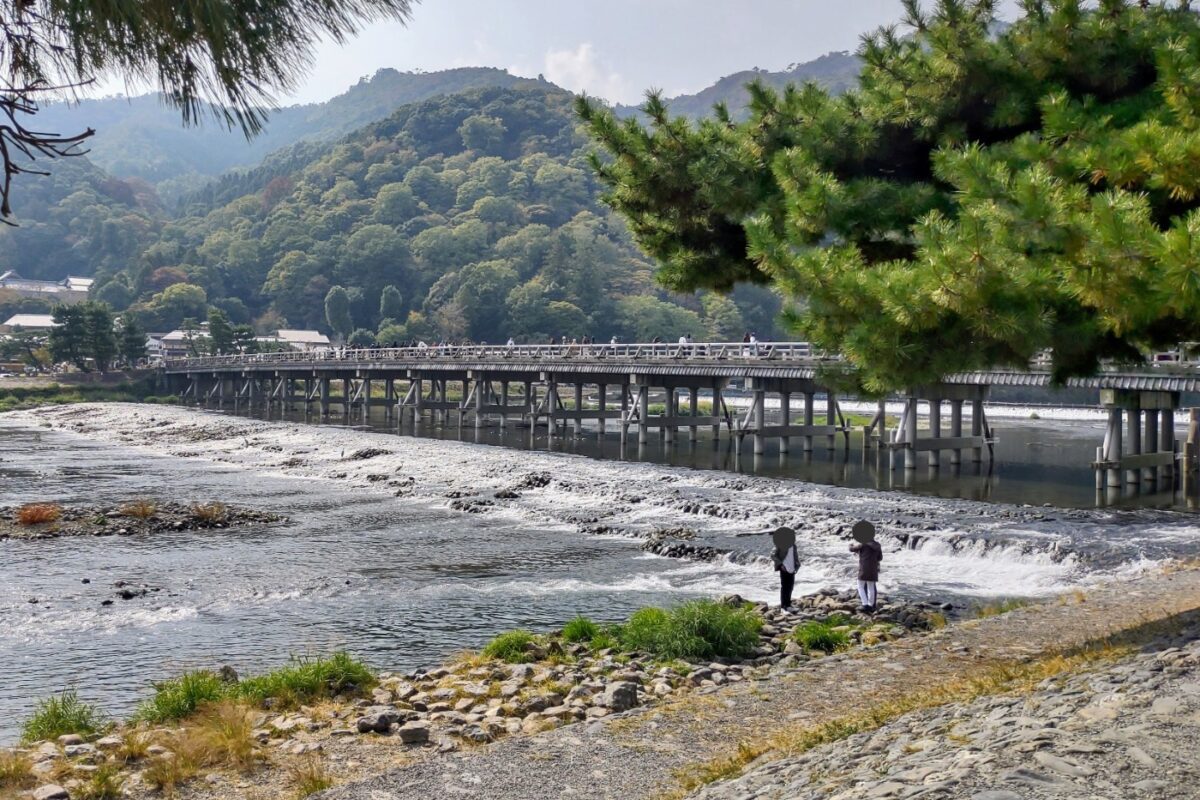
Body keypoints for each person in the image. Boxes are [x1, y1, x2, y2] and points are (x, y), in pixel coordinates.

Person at [849, 520, 883, 613]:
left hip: (864, 568)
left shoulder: (863, 544)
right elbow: (880, 557)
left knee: (860, 586)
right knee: (871, 587)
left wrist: (850, 545)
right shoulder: (878, 545)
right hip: (873, 569)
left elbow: (852, 549)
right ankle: (871, 605)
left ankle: (865, 604)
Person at [770, 526, 799, 609]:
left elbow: (794, 556)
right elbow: (772, 555)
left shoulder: (794, 546)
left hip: (792, 568)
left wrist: (797, 565)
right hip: (784, 568)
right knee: (785, 587)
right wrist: (781, 565)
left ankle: (788, 604)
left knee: (790, 587)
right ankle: (783, 606)